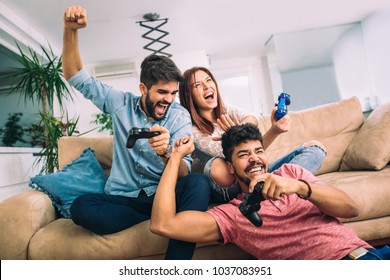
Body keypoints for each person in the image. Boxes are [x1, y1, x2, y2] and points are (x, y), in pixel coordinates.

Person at [62, 6, 210, 260]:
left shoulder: (179, 115)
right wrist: (70, 30)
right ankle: (155, 219)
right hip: (125, 199)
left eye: (173, 93)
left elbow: (184, 170)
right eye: (162, 93)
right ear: (143, 88)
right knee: (81, 207)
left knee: (198, 182)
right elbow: (75, 76)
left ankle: (175, 268)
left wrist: (168, 154)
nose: (169, 100)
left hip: (164, 195)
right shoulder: (120, 103)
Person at [150, 123, 390, 260]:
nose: (254, 159)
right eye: (244, 155)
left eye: (259, 151)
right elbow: (163, 224)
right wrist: (175, 158)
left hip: (369, 252)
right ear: (231, 168)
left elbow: (351, 209)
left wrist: (300, 188)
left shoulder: (292, 173)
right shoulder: (234, 214)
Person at [179, 67, 327, 203]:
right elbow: (237, 157)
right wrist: (239, 135)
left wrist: (241, 130)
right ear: (189, 95)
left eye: (209, 80)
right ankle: (269, 188)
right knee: (219, 166)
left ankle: (268, 188)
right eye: (197, 85)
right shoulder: (192, 129)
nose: (206, 86)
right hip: (230, 185)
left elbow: (252, 118)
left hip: (254, 175)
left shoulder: (225, 108)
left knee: (315, 148)